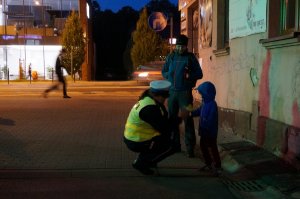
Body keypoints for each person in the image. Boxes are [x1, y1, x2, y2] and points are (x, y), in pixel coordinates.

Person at [162, 34, 203, 157]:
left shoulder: (190, 58)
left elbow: (199, 73)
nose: (180, 49)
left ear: (186, 47)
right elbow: (164, 71)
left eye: (183, 46)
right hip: (172, 94)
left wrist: (189, 77)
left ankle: (190, 148)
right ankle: (175, 146)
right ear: (175, 46)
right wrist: (168, 77)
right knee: (173, 120)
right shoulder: (170, 57)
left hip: (185, 94)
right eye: (178, 46)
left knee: (188, 120)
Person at [124, 80, 176, 175]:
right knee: (172, 145)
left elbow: (162, 121)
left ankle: (147, 160)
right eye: (165, 96)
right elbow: (164, 128)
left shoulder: (149, 100)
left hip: (134, 137)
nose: (165, 99)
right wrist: (179, 118)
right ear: (158, 95)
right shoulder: (150, 108)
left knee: (164, 139)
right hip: (136, 140)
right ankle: (141, 163)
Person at [189, 81, 222, 176]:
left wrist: (206, 129)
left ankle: (217, 166)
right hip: (204, 132)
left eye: (201, 93)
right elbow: (199, 111)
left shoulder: (212, 104)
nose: (200, 95)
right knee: (203, 147)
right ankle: (209, 164)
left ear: (206, 93)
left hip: (209, 133)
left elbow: (211, 120)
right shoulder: (205, 103)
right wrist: (191, 113)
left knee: (212, 149)